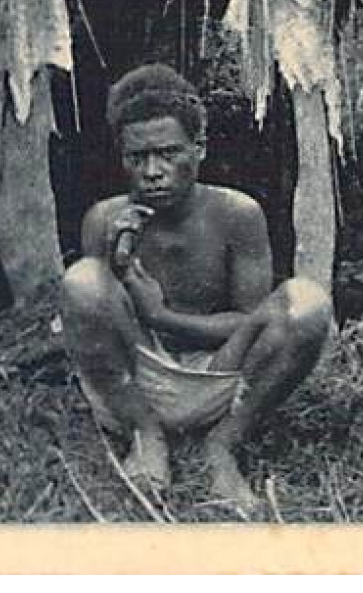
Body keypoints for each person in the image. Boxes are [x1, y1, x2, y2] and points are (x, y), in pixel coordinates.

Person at [61, 64, 332, 515]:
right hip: (137, 379)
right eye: (138, 157)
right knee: (82, 280)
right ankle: (145, 436)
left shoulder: (237, 214)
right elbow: (97, 328)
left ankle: (222, 446)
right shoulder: (106, 219)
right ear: (122, 158)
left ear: (199, 149)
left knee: (307, 303)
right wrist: (115, 265)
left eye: (168, 154)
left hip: (220, 378)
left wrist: (162, 315)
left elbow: (249, 323)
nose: (153, 171)